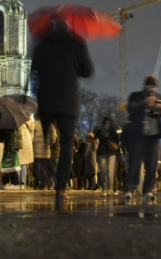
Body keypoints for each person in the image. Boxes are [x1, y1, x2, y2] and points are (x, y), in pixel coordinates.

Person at [31, 18, 94, 202]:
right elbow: (88, 71)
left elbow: (34, 70)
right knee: (66, 145)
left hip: (46, 101)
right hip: (67, 101)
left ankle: (41, 172)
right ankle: (61, 187)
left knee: (43, 143)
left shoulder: (42, 45)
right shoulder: (77, 43)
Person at [124, 75, 161, 203]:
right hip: (137, 137)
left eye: (154, 87)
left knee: (152, 166)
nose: (152, 89)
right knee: (134, 165)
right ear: (145, 86)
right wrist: (145, 103)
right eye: (149, 86)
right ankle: (129, 190)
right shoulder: (136, 96)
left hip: (153, 137)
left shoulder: (159, 98)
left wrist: (160, 109)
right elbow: (130, 108)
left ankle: (148, 190)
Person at [93, 116, 120, 196]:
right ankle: (104, 188)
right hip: (102, 152)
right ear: (104, 123)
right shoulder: (100, 131)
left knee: (110, 172)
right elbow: (95, 137)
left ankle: (110, 189)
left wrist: (118, 155)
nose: (107, 124)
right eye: (106, 123)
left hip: (111, 153)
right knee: (103, 171)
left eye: (109, 123)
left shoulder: (113, 132)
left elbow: (117, 143)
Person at [32, 116, 57, 190]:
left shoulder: (35, 124)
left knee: (36, 167)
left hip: (36, 150)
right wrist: (49, 144)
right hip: (46, 150)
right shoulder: (50, 125)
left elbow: (31, 137)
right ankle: (43, 183)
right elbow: (54, 137)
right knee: (44, 168)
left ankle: (36, 183)